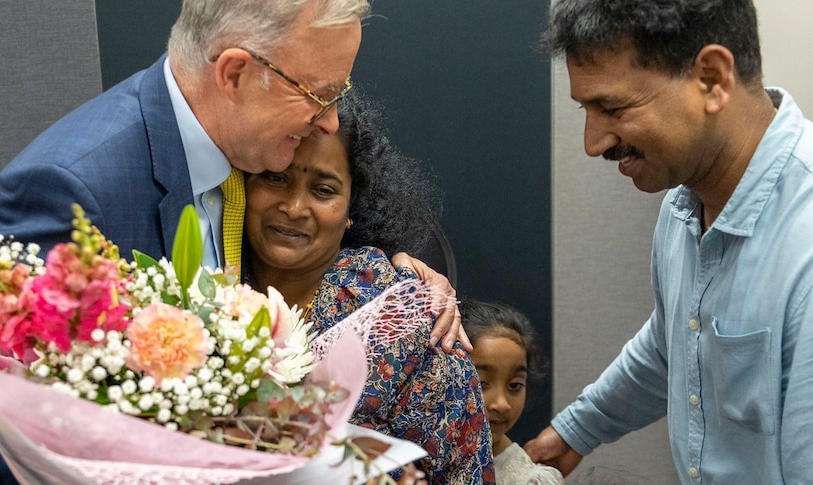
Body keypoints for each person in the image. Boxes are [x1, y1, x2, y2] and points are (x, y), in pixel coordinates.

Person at [0, 2, 465, 483]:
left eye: (340, 93)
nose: (329, 120)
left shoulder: (245, 151)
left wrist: (408, 275)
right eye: (318, 94)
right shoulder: (74, 189)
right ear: (235, 74)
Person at [525, 1, 813, 483]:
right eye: (586, 110)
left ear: (712, 79)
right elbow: (676, 345)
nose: (593, 142)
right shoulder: (683, 208)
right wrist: (577, 429)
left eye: (612, 108)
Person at [243, 91, 495, 484]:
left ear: (350, 210)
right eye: (276, 178)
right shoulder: (202, 289)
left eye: (323, 190)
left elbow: (460, 470)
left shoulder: (412, 325)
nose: (294, 207)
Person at [460, 299, 564, 485]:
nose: (501, 404)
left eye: (515, 386)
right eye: (481, 383)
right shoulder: (406, 461)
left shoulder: (531, 480)